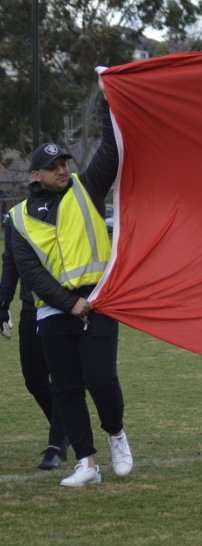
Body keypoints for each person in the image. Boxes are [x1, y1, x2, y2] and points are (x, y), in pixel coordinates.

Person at [9, 92, 133, 487]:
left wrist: (108, 105)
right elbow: (30, 273)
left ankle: (116, 433)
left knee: (100, 379)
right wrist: (67, 303)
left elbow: (112, 151)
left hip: (98, 300)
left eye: (63, 162)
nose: (62, 169)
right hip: (54, 310)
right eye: (52, 166)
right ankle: (87, 463)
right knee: (66, 389)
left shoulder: (87, 187)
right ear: (35, 176)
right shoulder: (17, 219)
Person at [0, 212, 65, 469]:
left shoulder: (67, 210)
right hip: (31, 307)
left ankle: (57, 443)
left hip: (64, 306)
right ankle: (68, 427)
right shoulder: (16, 218)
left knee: (62, 377)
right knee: (33, 378)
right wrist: (3, 303)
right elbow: (10, 263)